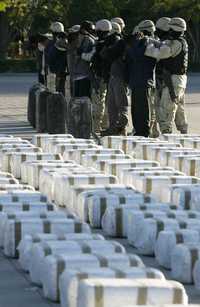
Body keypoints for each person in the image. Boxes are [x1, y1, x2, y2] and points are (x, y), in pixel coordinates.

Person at [126, 20, 158, 137]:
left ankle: (143, 133)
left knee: (143, 111)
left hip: (144, 81)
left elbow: (138, 56)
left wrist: (135, 43)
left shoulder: (148, 42)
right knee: (136, 110)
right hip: (137, 81)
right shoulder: (140, 43)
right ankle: (139, 131)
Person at [157, 17, 188, 134]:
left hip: (174, 79)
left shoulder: (176, 43)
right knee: (179, 111)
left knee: (166, 112)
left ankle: (166, 137)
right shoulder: (182, 42)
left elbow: (161, 54)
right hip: (180, 80)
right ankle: (184, 136)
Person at [100, 21, 129, 136]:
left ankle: (121, 128)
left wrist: (107, 46)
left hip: (119, 75)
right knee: (111, 104)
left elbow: (108, 54)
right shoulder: (114, 42)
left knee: (120, 103)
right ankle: (112, 128)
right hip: (113, 75)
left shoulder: (119, 42)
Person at [91, 19, 112, 133]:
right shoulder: (112, 41)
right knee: (109, 102)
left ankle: (97, 127)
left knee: (99, 101)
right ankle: (105, 125)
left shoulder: (101, 44)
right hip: (108, 77)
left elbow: (94, 59)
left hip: (101, 76)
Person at [72, 20, 96, 98]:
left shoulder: (76, 39)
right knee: (84, 101)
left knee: (79, 101)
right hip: (84, 75)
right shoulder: (89, 40)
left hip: (79, 75)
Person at [46, 21, 65, 93]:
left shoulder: (50, 43)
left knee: (54, 92)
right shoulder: (65, 43)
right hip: (60, 72)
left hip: (55, 72)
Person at [47, 31, 68, 96]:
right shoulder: (53, 49)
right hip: (55, 75)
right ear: (59, 39)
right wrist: (56, 74)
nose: (64, 40)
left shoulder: (67, 48)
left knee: (63, 93)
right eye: (62, 38)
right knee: (56, 93)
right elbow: (50, 63)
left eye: (65, 38)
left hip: (64, 75)